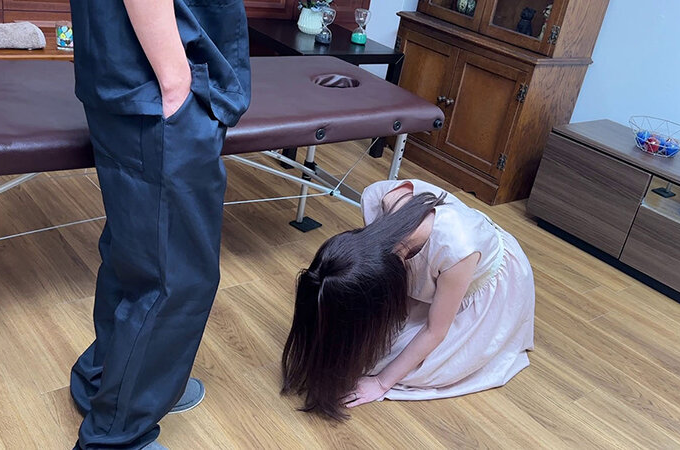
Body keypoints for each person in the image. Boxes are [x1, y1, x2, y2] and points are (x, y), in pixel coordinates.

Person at [66, 0, 251, 448]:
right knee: (175, 274)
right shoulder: (169, 84)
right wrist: (175, 81)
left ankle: (113, 382)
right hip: (158, 76)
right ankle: (118, 435)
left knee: (135, 251)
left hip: (132, 71)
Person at [281, 179, 535, 419]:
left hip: (482, 283)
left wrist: (381, 383)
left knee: (402, 365)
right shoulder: (381, 200)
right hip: (440, 269)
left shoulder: (457, 250)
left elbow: (435, 331)